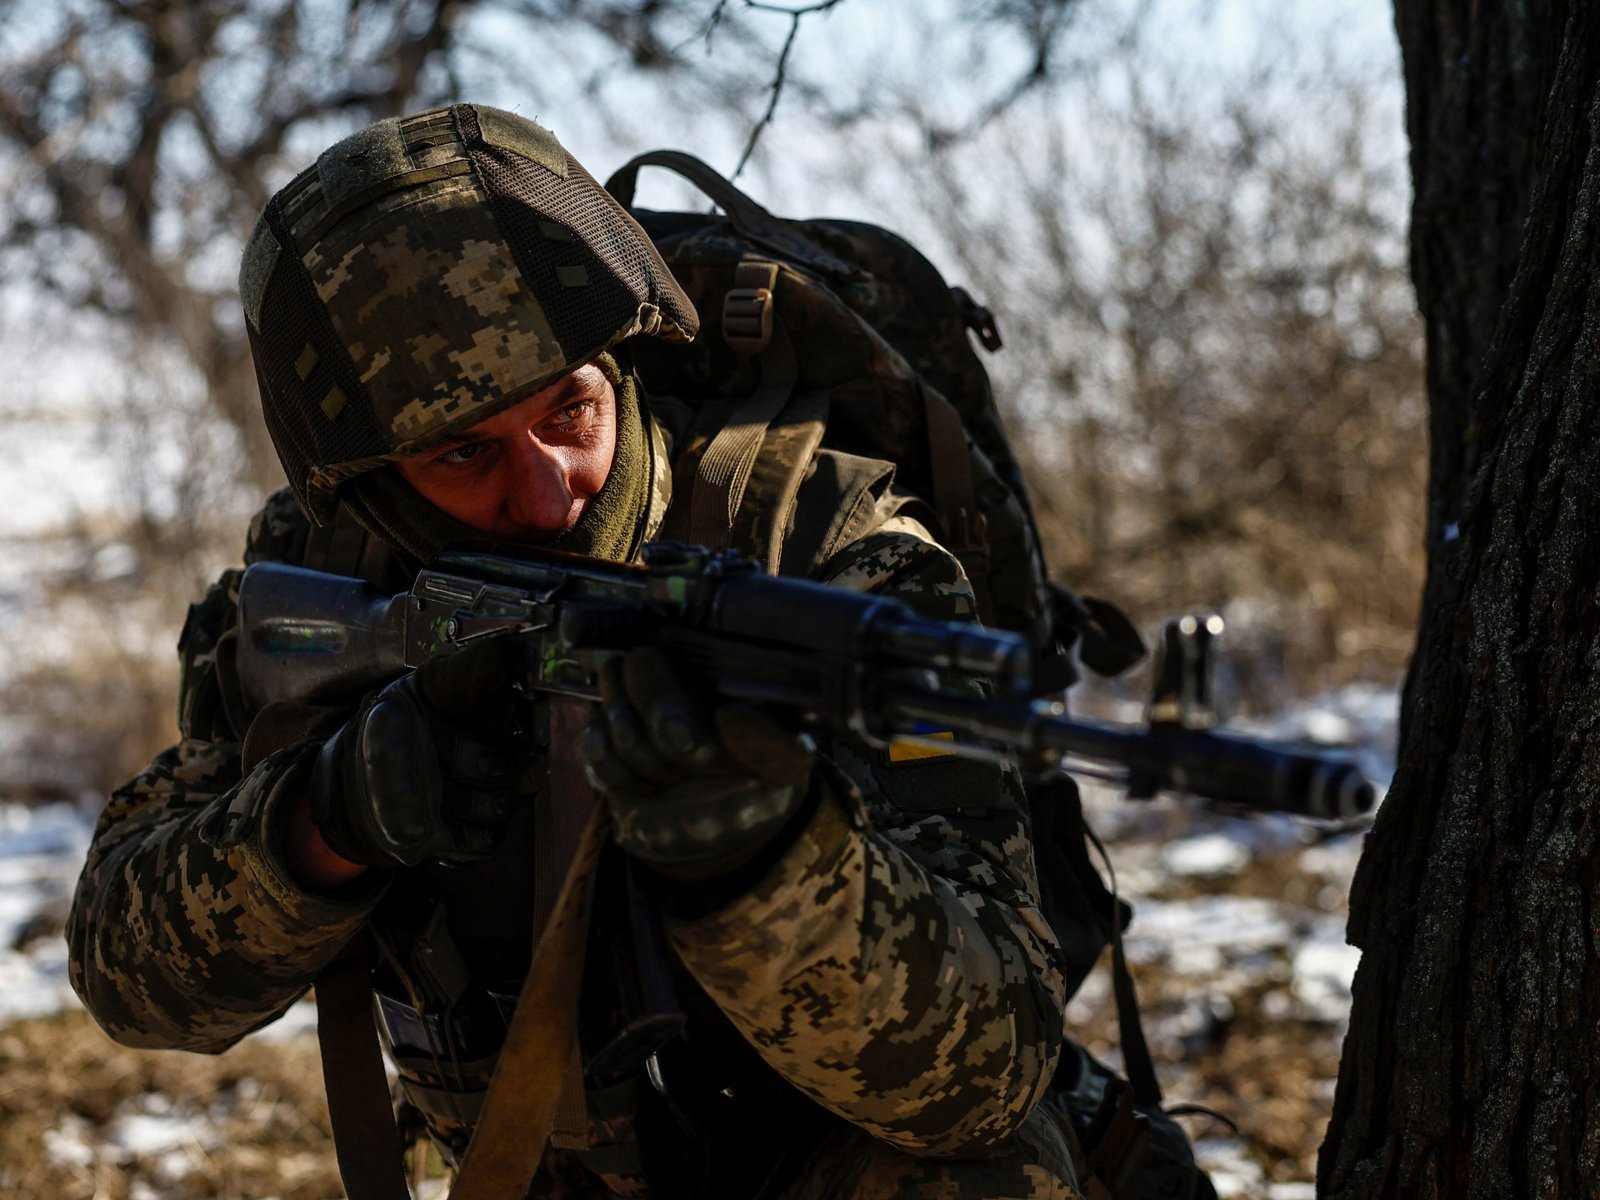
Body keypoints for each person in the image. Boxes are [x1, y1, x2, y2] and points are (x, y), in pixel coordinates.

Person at [66, 103, 1169, 1199]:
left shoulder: (839, 564)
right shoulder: (335, 581)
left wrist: (765, 865)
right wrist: (324, 823)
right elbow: (132, 983)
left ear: (623, 358)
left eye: (572, 410)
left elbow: (987, 1075)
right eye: (463, 453)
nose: (547, 492)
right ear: (363, 479)